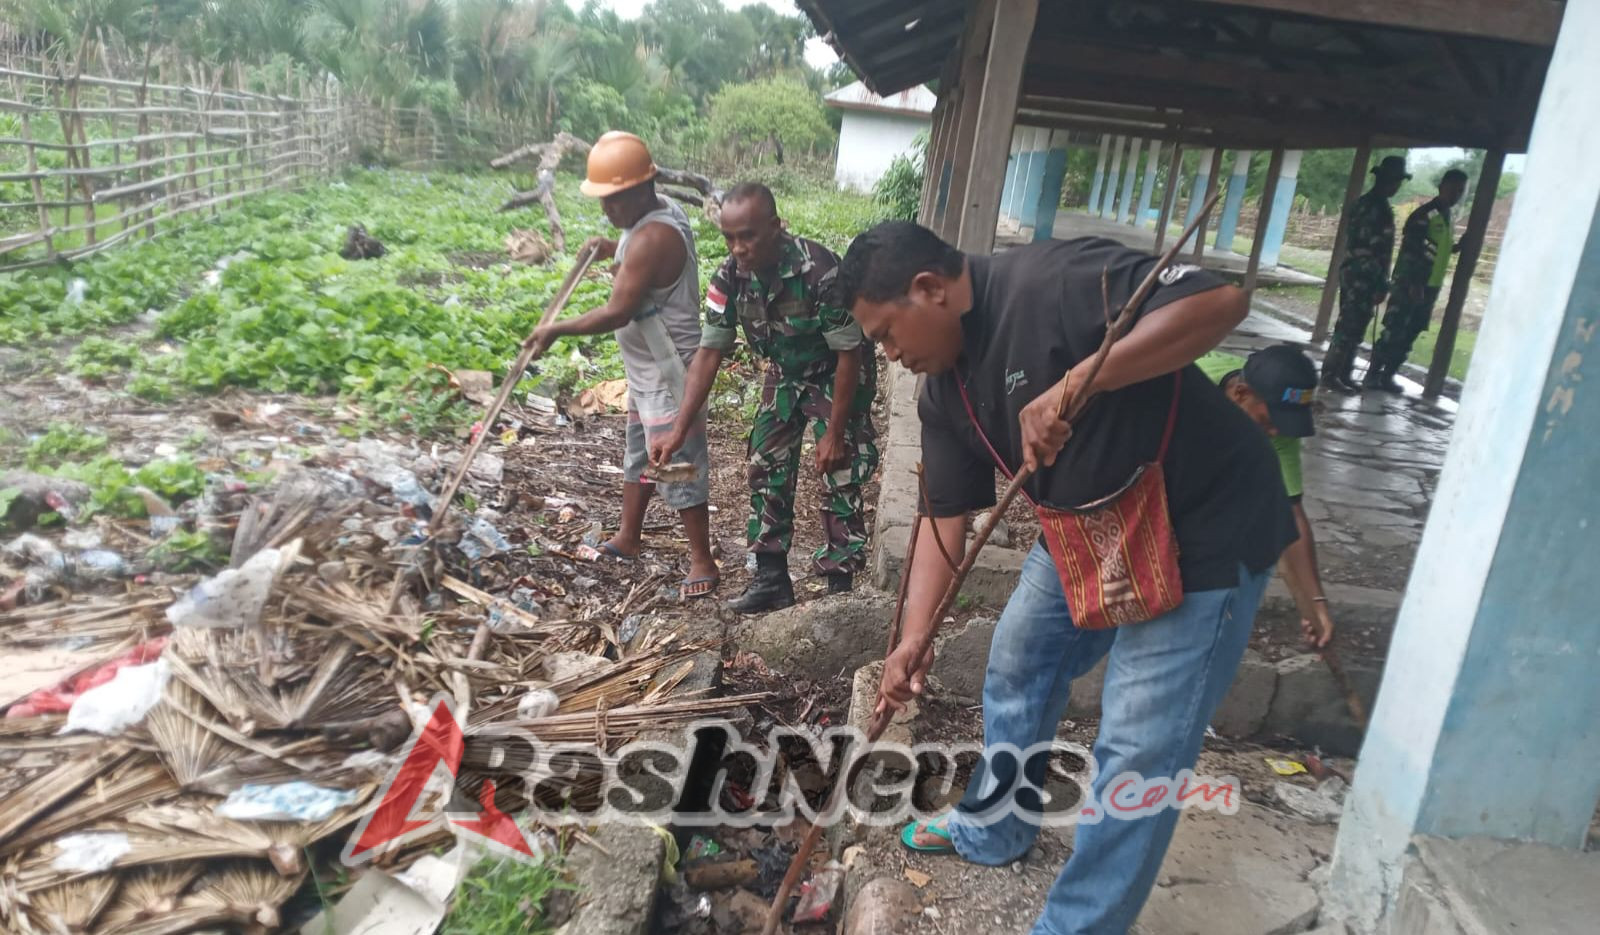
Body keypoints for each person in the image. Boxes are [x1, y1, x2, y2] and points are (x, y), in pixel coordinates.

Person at [838, 222, 1296, 935]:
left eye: (888, 335)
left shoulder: (1054, 281)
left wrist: (1085, 376)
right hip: (1086, 524)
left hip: (1201, 524)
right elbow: (942, 520)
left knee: (1137, 745)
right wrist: (913, 637)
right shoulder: (943, 391)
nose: (892, 357)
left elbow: (1221, 305)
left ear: (929, 290)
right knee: (1021, 658)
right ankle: (995, 825)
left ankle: (1076, 925)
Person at [650, 183, 878, 613]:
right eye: (730, 238)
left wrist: (833, 433)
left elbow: (849, 353)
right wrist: (677, 429)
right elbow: (709, 353)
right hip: (785, 372)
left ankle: (839, 587)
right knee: (766, 462)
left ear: (776, 227)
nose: (738, 248)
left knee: (840, 468)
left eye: (749, 236)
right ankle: (772, 578)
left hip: (838, 371)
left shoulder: (820, 271)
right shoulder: (729, 278)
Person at [522, 131, 719, 599]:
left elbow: (618, 311)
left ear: (637, 190)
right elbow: (635, 250)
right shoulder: (659, 212)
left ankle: (702, 559)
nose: (605, 211)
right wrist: (612, 247)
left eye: (610, 201)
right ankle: (629, 537)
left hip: (671, 372)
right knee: (639, 454)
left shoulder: (653, 236)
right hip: (647, 371)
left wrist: (555, 329)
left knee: (677, 463)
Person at [1196, 346, 1334, 649]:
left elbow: (1291, 513)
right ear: (1241, 394)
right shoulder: (1193, 384)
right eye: (1267, 421)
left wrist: (1316, 602)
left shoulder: (1278, 428)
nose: (1275, 433)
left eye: (1284, 426)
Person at [1364, 168, 1468, 393]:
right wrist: (1414, 283)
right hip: (1411, 284)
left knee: (1411, 332)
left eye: (1460, 191)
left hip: (1430, 286)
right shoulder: (1426, 214)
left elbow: (1438, 250)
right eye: (1453, 189)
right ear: (1442, 186)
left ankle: (1388, 375)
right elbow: (1412, 250)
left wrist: (1459, 247)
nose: (1456, 194)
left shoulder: (1447, 218)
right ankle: (1373, 373)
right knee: (1395, 330)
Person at [1321, 155, 1408, 392]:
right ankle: (1331, 374)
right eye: (1394, 181)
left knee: (1357, 326)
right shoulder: (1371, 206)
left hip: (1366, 276)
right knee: (1348, 326)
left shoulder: (1379, 206)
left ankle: (1344, 373)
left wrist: (1381, 282)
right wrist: (1380, 282)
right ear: (1383, 180)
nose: (1396, 186)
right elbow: (1366, 250)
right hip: (1360, 276)